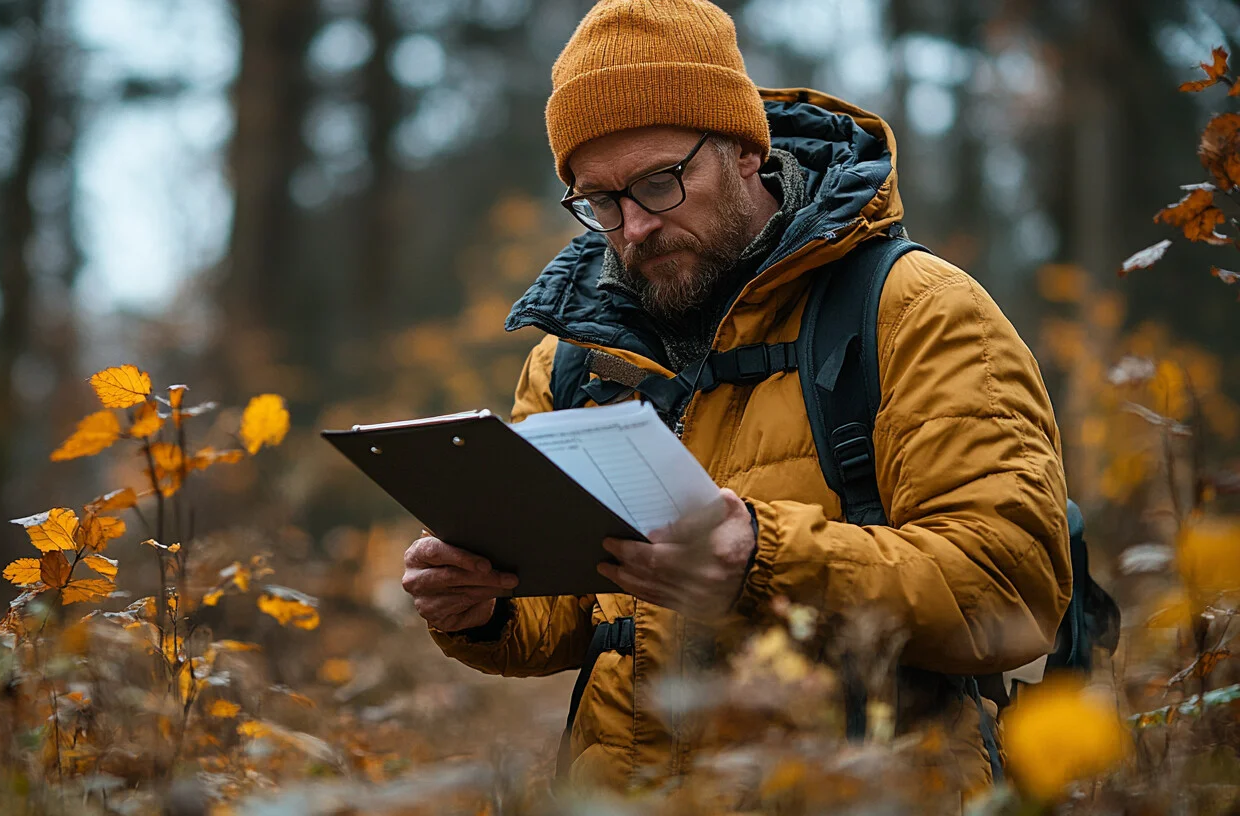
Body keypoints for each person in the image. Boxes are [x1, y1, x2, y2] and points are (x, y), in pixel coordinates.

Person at [399, 0, 1071, 797]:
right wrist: (477, 604)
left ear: (747, 152)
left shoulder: (915, 310)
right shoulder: (572, 359)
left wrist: (765, 557)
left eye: (659, 182)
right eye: (600, 201)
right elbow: (574, 611)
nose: (635, 226)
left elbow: (1013, 590)